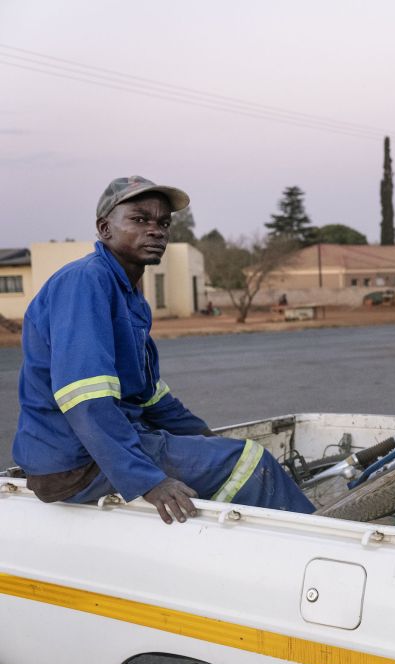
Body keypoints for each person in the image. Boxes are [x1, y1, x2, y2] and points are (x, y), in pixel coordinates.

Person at [13, 176, 315, 524]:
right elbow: (85, 399)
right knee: (250, 461)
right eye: (140, 220)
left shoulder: (129, 295)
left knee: (227, 454)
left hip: (100, 449)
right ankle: (326, 547)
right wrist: (147, 481)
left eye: (163, 223)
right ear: (104, 228)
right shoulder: (85, 282)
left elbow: (150, 396)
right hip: (75, 460)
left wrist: (204, 438)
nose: (156, 231)